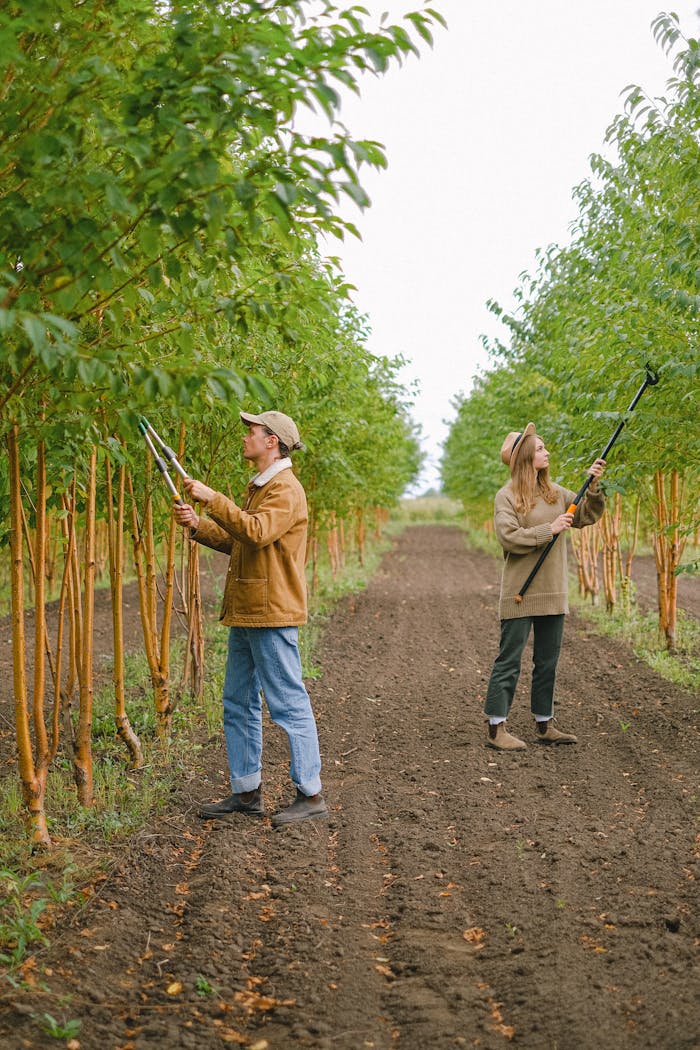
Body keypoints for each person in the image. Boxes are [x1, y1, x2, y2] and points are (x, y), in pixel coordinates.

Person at [173, 410, 328, 826]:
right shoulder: (263, 486)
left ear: (272, 441)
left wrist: (212, 498)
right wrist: (198, 525)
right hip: (248, 610)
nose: (245, 438)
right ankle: (246, 791)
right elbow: (244, 543)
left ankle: (310, 795)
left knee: (288, 703)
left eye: (251, 432)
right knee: (237, 702)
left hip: (271, 612)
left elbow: (257, 531)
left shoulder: (285, 489)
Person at [484, 423, 606, 750]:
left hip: (553, 591)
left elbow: (586, 514)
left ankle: (544, 724)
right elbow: (508, 537)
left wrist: (593, 485)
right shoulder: (507, 496)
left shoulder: (556, 494)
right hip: (520, 593)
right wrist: (548, 530)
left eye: (544, 447)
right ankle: (497, 729)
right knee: (509, 660)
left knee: (547, 662)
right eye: (539, 448)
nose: (546, 452)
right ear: (525, 457)